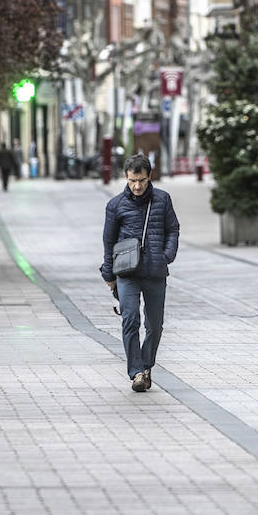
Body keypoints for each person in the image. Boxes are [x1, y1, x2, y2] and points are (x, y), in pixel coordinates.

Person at [100, 154, 180, 393]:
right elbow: (108, 241)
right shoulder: (115, 205)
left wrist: (166, 255)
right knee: (130, 319)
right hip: (127, 272)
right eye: (133, 180)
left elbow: (173, 229)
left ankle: (146, 366)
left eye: (142, 181)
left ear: (149, 176)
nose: (137, 186)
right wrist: (108, 275)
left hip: (155, 271)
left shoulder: (162, 200)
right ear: (126, 177)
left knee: (155, 325)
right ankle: (136, 372)